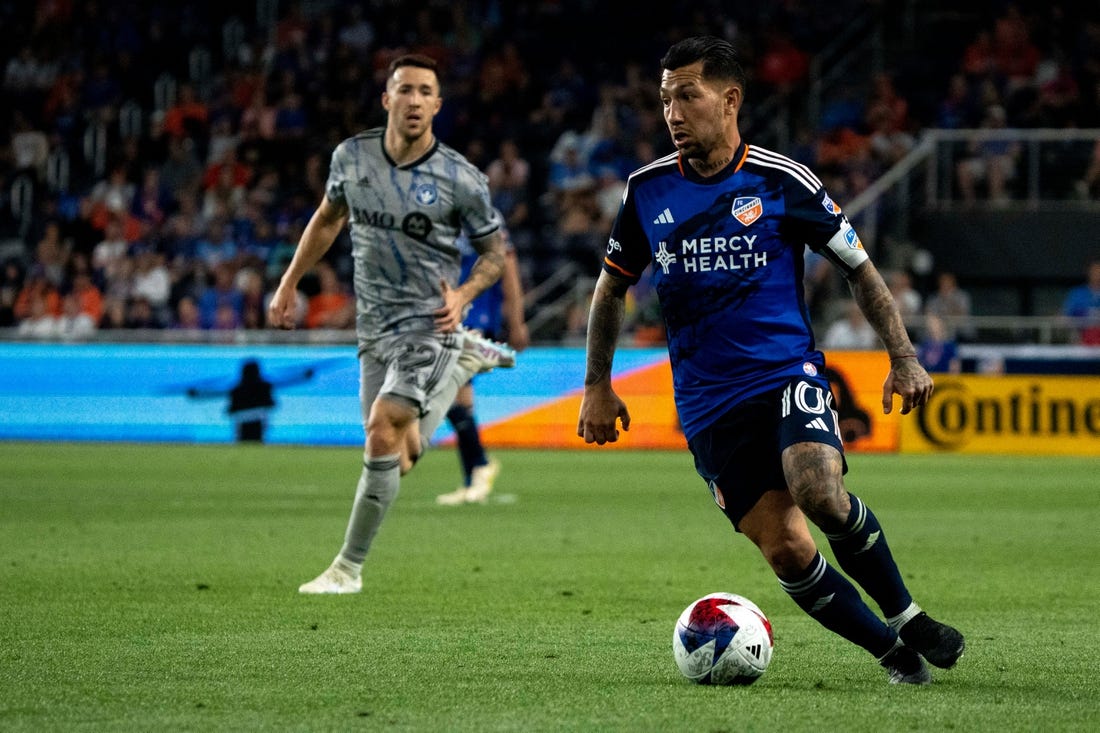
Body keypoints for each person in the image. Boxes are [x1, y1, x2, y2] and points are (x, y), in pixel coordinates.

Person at [576, 36, 964, 685]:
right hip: (707, 403)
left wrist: (903, 355)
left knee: (818, 489)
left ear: (730, 100)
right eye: (665, 98)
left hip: (785, 372)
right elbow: (611, 286)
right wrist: (597, 386)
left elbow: (858, 269)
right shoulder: (647, 192)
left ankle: (907, 614)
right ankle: (894, 655)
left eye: (686, 95)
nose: (671, 112)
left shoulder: (782, 181)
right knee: (785, 547)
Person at [267, 54, 516, 594]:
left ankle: (346, 569)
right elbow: (328, 218)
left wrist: (468, 291)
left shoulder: (459, 178)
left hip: (429, 324)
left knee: (384, 428)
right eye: (405, 89)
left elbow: (495, 254)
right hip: (373, 329)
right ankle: (459, 370)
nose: (415, 100)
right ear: (387, 99)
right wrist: (289, 281)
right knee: (394, 455)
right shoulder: (352, 158)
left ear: (437, 105)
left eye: (426, 91)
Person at [436, 220, 529, 505]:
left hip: (473, 314)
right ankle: (475, 474)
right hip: (447, 313)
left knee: (447, 389)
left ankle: (479, 468)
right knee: (456, 399)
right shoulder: (436, 209)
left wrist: (516, 321)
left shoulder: (484, 215)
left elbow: (507, 265)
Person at [1061, 258, 1100, 345]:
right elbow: (1066, 316)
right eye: (1095, 272)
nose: (1098, 275)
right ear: (1089, 273)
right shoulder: (1077, 293)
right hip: (1080, 338)